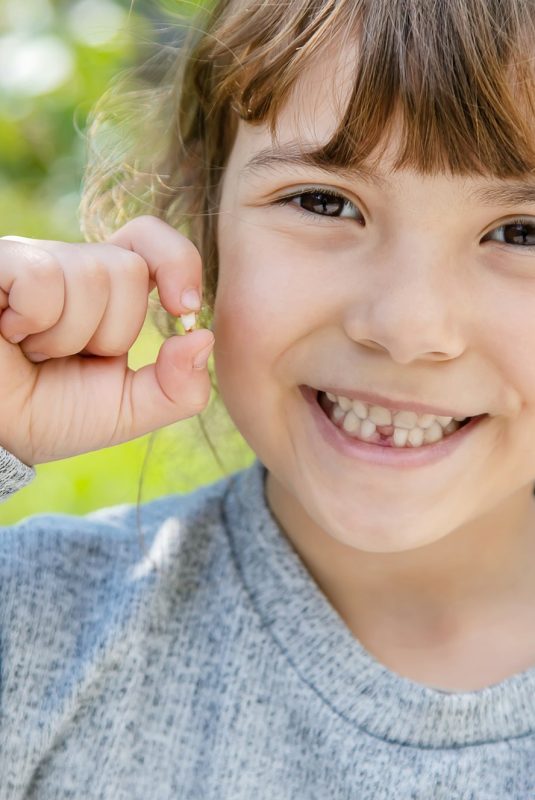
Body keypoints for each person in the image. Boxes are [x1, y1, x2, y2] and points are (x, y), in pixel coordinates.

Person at [1, 0, 534, 796]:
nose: (406, 326)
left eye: (520, 233)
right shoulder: (39, 630)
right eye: (323, 202)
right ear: (202, 234)